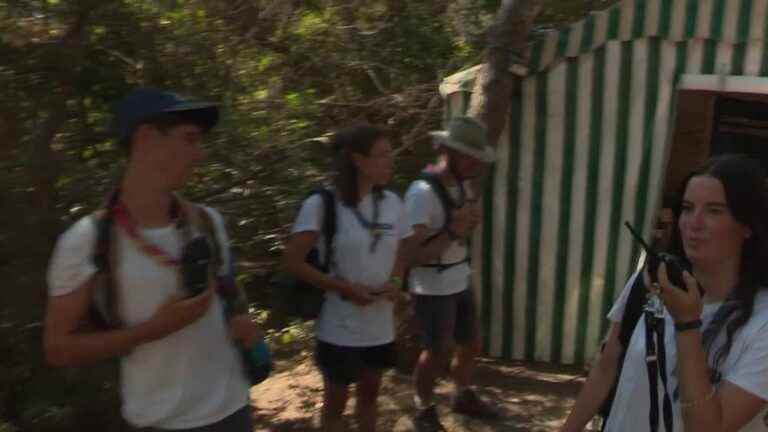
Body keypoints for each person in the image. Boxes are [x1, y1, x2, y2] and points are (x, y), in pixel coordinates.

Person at [43, 88, 260, 431]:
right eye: (189, 139)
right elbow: (58, 349)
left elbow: (228, 295)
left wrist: (242, 321)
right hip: (159, 421)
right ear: (144, 139)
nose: (199, 154)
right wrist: (153, 330)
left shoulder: (207, 222)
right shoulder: (86, 242)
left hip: (233, 410)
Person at [562, 154, 768, 431]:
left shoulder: (762, 323)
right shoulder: (649, 281)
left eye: (714, 211)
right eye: (687, 207)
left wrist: (687, 324)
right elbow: (606, 365)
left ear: (747, 226)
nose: (694, 223)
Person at [280, 124, 411, 432]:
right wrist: (343, 288)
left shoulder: (392, 202)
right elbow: (292, 261)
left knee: (370, 396)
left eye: (391, 154)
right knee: (336, 404)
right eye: (382, 155)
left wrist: (394, 282)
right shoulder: (322, 204)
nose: (391, 161)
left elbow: (404, 247)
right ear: (358, 160)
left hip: (379, 325)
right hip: (339, 326)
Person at [404, 116, 498, 432]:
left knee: (471, 344)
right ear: (446, 150)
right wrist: (454, 230)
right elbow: (410, 255)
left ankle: (461, 395)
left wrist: (469, 221)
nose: (473, 162)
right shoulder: (420, 193)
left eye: (476, 156)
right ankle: (423, 408)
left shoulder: (461, 183)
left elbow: (458, 227)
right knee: (436, 352)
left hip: (459, 276)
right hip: (431, 285)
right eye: (466, 155)